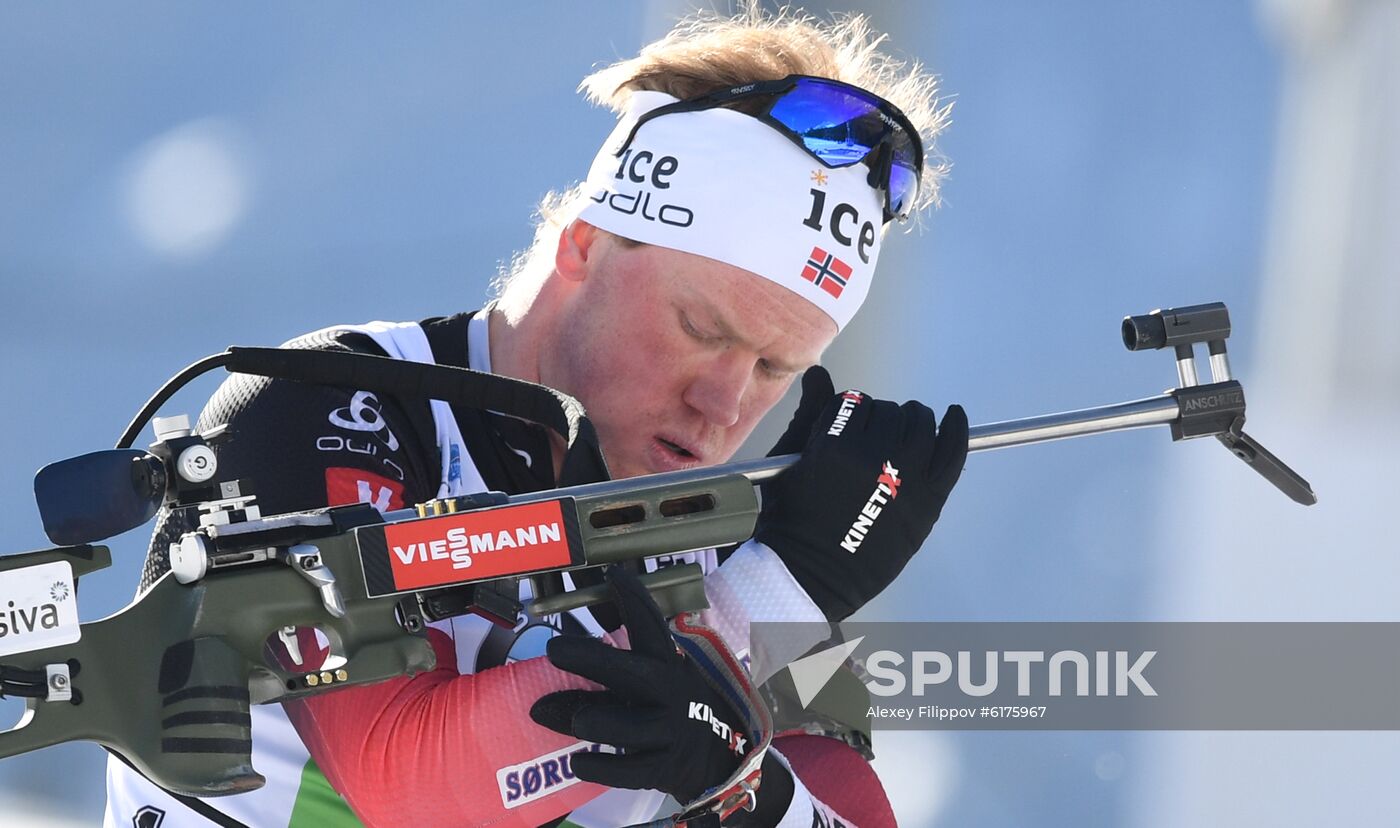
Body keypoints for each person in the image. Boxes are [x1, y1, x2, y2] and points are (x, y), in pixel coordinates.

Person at [104, 6, 967, 827]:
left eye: (776, 368)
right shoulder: (328, 410)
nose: (724, 404)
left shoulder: (740, 532)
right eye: (700, 330)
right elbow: (405, 787)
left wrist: (743, 786)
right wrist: (761, 609)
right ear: (582, 244)